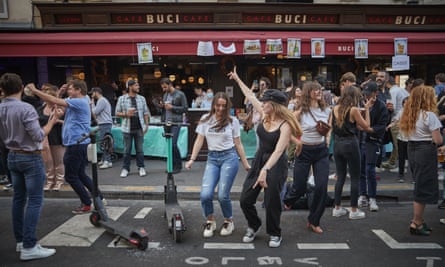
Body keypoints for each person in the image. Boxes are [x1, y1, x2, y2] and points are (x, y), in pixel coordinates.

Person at [228, 67, 302, 248]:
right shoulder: (263, 112)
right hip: (260, 158)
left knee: (272, 201)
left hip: (276, 163)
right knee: (245, 199)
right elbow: (249, 94)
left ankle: (275, 233)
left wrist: (265, 170)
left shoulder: (285, 125)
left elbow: (278, 151)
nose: (262, 103)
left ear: (273, 104)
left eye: (265, 101)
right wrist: (237, 79)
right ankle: (254, 225)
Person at [0, 73, 62, 261]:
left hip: (12, 155)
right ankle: (29, 245)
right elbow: (38, 135)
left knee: (18, 199)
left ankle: (21, 241)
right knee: (34, 200)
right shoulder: (26, 108)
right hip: (30, 156)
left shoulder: (1, 107)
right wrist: (51, 121)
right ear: (21, 88)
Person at [28, 79, 104, 214]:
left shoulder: (79, 102)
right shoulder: (78, 102)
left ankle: (87, 203)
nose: (68, 91)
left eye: (70, 89)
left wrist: (35, 91)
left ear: (78, 90)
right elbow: (55, 105)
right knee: (80, 174)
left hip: (76, 144)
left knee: (70, 177)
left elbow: (54, 101)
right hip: (77, 143)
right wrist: (60, 93)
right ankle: (99, 197)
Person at [185, 92, 251, 238]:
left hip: (229, 157)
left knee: (222, 195)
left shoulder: (232, 121)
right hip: (212, 158)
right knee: (205, 195)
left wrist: (246, 164)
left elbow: (238, 143)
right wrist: (192, 159)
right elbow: (199, 140)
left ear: (227, 106)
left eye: (223, 105)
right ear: (213, 105)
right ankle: (210, 220)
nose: (220, 108)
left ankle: (229, 221)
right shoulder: (205, 120)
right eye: (218, 105)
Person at [282, 81, 331, 234]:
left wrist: (327, 140)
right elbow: (286, 130)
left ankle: (314, 220)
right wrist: (297, 143)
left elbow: (329, 127)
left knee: (321, 187)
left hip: (321, 152)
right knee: (299, 186)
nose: (318, 92)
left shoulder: (327, 110)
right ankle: (288, 200)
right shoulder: (300, 112)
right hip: (304, 152)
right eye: (315, 89)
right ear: (308, 92)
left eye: (319, 89)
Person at [400, 85, 442, 236]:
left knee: (419, 182)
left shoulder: (409, 114)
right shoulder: (429, 115)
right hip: (426, 150)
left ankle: (420, 220)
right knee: (423, 185)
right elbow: (437, 139)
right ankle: (416, 221)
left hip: (412, 149)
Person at [331, 85, 372, 220]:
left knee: (340, 176)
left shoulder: (335, 109)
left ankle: (337, 208)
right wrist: (366, 109)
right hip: (350, 144)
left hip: (337, 144)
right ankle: (354, 210)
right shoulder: (353, 109)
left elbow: (334, 125)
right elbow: (366, 126)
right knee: (355, 177)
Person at [358, 81, 390, 212]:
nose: (366, 96)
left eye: (369, 94)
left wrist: (368, 129)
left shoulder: (381, 106)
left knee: (370, 169)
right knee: (360, 170)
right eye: (365, 94)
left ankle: (372, 197)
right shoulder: (361, 104)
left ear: (375, 93)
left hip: (373, 141)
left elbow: (382, 127)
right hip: (361, 141)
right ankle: (362, 195)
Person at [115, 80, 150, 178]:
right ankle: (125, 168)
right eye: (136, 85)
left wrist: (146, 126)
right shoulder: (122, 99)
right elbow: (117, 113)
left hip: (139, 128)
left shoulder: (142, 98)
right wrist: (126, 114)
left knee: (140, 150)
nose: (138, 87)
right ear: (130, 87)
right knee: (127, 150)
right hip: (127, 128)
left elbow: (145, 113)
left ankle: (141, 167)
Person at [37, 84, 65, 191]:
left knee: (58, 161)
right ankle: (49, 181)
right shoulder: (40, 108)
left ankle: (59, 181)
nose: (46, 98)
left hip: (56, 137)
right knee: (47, 161)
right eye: (45, 96)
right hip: (44, 137)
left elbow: (67, 122)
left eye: (48, 96)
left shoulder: (59, 108)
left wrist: (58, 120)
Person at [160, 78, 188, 173]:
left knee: (173, 144)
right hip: (166, 122)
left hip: (176, 122)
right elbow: (164, 109)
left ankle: (178, 165)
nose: (163, 89)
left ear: (170, 85)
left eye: (165, 87)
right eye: (162, 87)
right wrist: (161, 106)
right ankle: (171, 165)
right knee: (169, 145)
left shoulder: (180, 94)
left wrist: (172, 107)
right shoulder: (165, 95)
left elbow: (185, 108)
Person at [381, 77, 409, 171]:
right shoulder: (403, 90)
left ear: (387, 83)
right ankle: (393, 162)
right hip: (405, 119)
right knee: (399, 144)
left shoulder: (392, 92)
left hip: (396, 119)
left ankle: (399, 165)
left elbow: (390, 107)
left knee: (398, 145)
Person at [90, 87, 113, 169]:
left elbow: (95, 112)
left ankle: (107, 161)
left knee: (105, 143)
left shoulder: (101, 100)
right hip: (104, 123)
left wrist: (92, 103)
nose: (92, 95)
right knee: (105, 142)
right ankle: (106, 160)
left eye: (92, 93)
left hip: (105, 123)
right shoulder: (102, 100)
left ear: (96, 92)